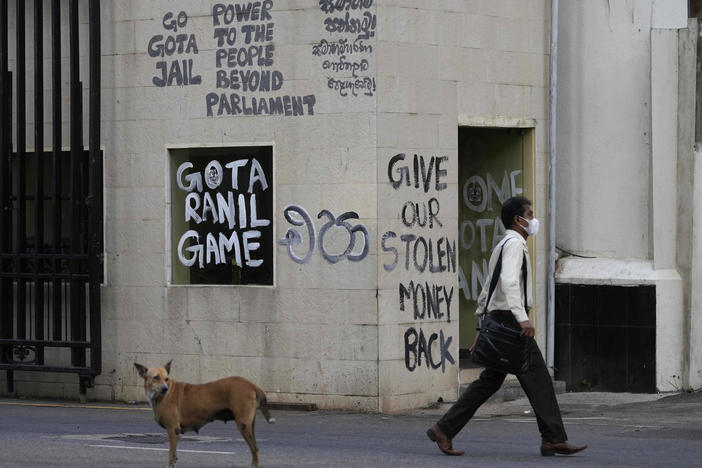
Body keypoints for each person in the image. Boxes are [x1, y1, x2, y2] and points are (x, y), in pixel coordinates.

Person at [426, 196, 587, 457]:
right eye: (530, 214)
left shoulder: (503, 244)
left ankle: (444, 429)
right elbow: (509, 282)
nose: (533, 220)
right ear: (518, 219)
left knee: (489, 381)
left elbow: (488, 286)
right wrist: (522, 317)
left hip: (499, 320)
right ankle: (553, 439)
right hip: (511, 324)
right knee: (540, 381)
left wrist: (481, 324)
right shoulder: (514, 245)